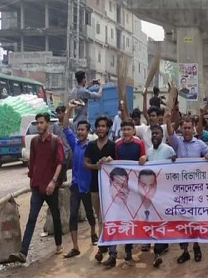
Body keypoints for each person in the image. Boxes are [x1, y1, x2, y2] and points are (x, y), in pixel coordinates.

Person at [10, 113, 64, 264]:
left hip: (51, 187)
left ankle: (59, 244)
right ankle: (23, 252)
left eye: (41, 123)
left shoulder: (55, 141)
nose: (39, 125)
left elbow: (60, 162)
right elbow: (32, 164)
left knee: (55, 215)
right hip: (37, 187)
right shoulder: (34, 142)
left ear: (47, 123)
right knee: (32, 218)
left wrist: (53, 181)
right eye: (37, 123)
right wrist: (32, 179)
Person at [166, 113, 208, 263]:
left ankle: (196, 246)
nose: (186, 130)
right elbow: (170, 133)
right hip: (180, 189)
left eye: (189, 128)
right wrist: (168, 120)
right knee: (182, 219)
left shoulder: (199, 143)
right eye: (184, 128)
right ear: (181, 129)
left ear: (193, 129)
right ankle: (184, 251)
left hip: (195, 189)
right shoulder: (177, 143)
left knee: (195, 218)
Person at [101, 119, 146, 268]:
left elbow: (144, 159)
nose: (126, 132)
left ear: (133, 131)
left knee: (129, 219)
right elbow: (115, 163)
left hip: (133, 188)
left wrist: (143, 159)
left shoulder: (139, 144)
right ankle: (112, 254)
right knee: (114, 219)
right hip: (119, 187)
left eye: (128, 129)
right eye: (124, 129)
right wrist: (109, 161)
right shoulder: (117, 145)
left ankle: (128, 251)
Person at [61, 101, 97, 258]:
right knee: (73, 215)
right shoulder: (74, 144)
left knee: (90, 213)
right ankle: (75, 247)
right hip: (75, 186)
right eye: (79, 130)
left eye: (83, 130)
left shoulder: (92, 147)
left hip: (87, 186)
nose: (80, 132)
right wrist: (69, 109)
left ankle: (93, 232)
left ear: (88, 132)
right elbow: (65, 127)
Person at [139, 125, 176, 268]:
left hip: (164, 191)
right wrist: (143, 159)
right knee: (152, 218)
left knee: (162, 219)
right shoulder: (148, 151)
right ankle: (158, 245)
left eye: (157, 133)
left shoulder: (168, 150)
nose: (154, 136)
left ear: (162, 136)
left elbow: (175, 167)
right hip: (151, 192)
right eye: (153, 134)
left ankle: (158, 250)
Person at [84, 115, 116, 264]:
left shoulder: (113, 145)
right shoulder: (91, 145)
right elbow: (85, 163)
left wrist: (110, 161)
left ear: (108, 128)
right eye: (98, 126)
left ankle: (105, 248)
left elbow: (119, 164)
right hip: (95, 187)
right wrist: (95, 166)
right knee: (100, 217)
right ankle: (104, 245)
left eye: (103, 126)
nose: (101, 129)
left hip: (110, 187)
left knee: (108, 217)